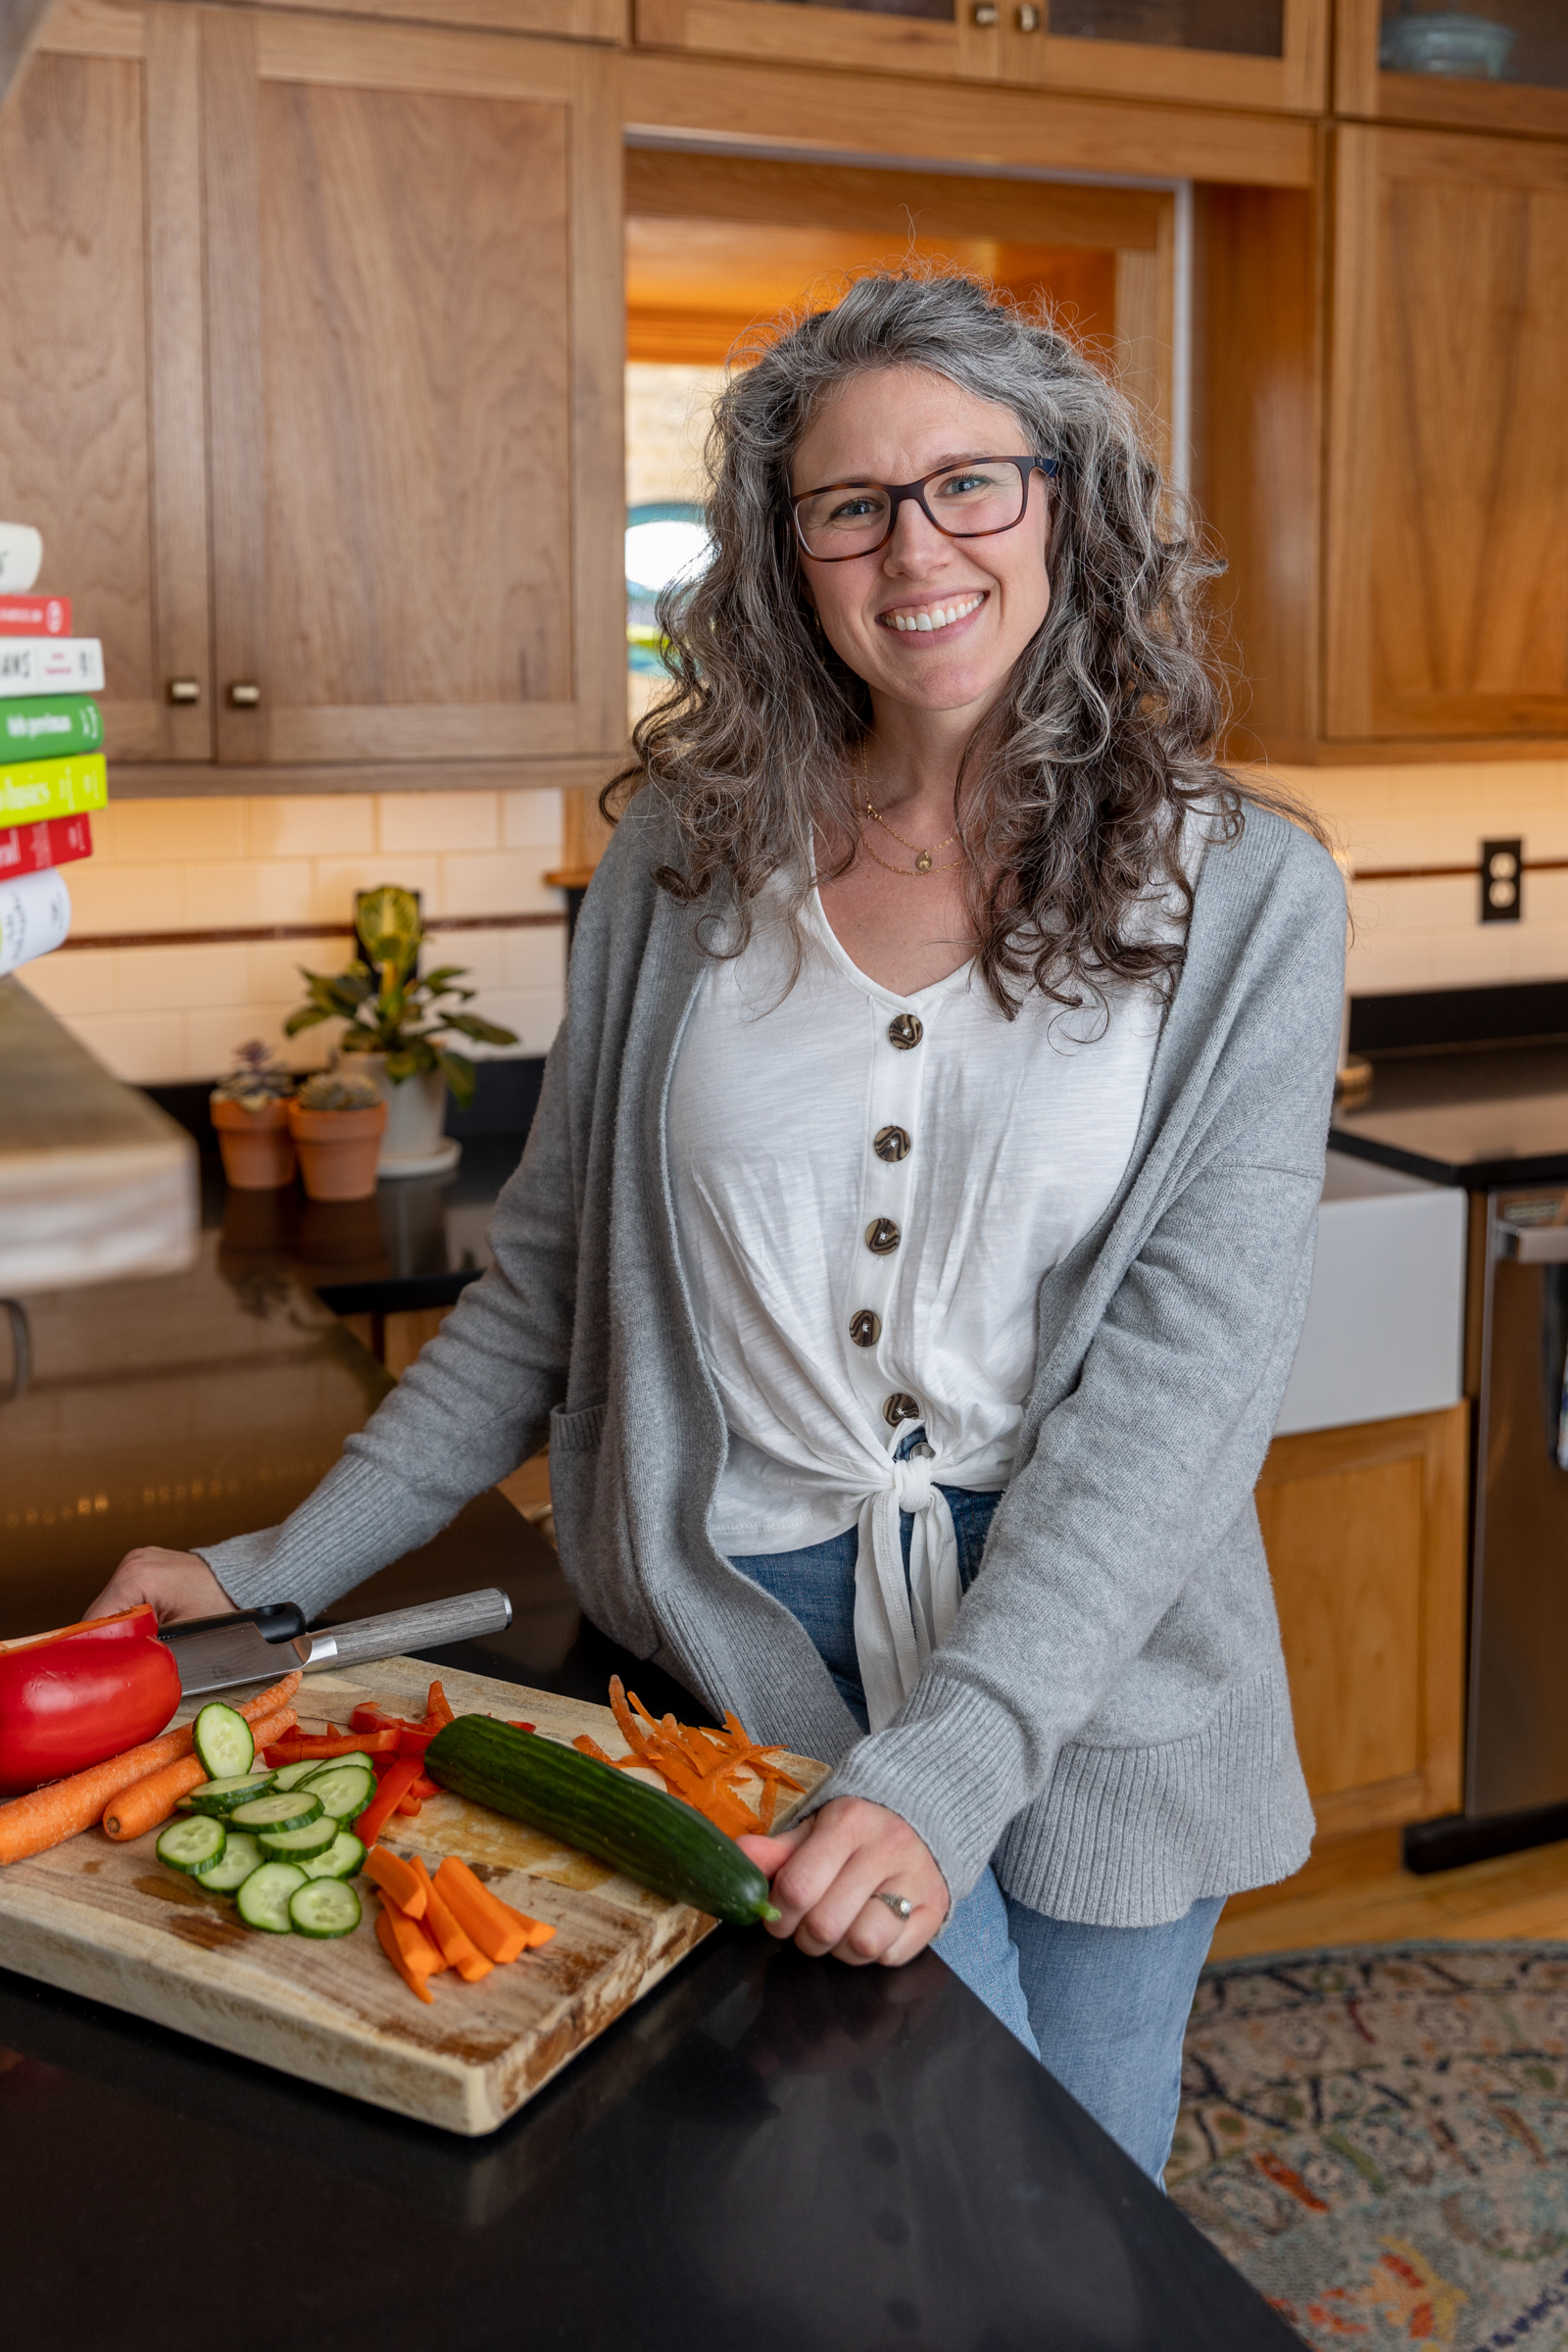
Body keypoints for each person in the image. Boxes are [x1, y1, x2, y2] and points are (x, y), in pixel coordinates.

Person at [90, 270, 1346, 2183]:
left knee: (1078, 2218)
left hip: (1099, 1651)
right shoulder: (687, 867)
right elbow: (540, 1306)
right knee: (842, 2204)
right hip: (742, 1641)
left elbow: (1181, 1395)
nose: (910, 546)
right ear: (786, 555)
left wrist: (947, 1767)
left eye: (969, 486)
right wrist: (278, 1567)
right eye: (848, 504)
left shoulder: (1247, 890)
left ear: (1070, 505)